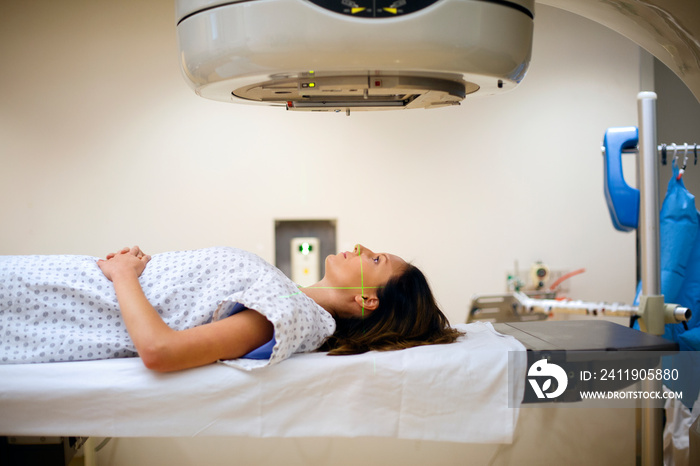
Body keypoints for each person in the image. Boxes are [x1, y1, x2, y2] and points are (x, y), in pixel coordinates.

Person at [0, 244, 461, 372]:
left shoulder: (294, 315)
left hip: (52, 305)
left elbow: (161, 351)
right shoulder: (291, 296)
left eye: (374, 258)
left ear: (366, 299)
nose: (361, 247)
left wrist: (123, 275)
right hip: (55, 285)